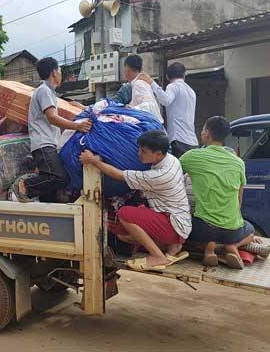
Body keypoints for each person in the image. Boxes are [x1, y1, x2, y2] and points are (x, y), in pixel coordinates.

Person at [80, 130, 191, 271]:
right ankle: (172, 246)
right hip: (179, 223)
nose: (139, 153)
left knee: (125, 214)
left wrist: (94, 161)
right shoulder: (171, 160)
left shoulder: (160, 176)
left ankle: (158, 256)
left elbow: (120, 175)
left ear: (158, 154)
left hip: (173, 224)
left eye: (144, 151)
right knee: (122, 233)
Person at [180, 116, 257, 269]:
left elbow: (172, 172)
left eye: (202, 130)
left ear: (207, 133)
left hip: (203, 229)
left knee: (188, 224)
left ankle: (209, 249)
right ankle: (232, 246)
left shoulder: (192, 156)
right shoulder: (238, 162)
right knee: (250, 231)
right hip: (232, 230)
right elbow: (239, 200)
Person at [13, 57, 92, 202]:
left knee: (53, 185)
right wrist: (77, 126)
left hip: (49, 143)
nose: (61, 73)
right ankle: (25, 186)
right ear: (54, 72)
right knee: (59, 177)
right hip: (43, 144)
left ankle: (46, 205)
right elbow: (52, 118)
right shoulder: (44, 91)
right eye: (60, 70)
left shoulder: (49, 92)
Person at [138, 62, 198, 157]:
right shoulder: (191, 91)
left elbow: (165, 100)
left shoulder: (173, 86)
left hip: (178, 139)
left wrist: (152, 83)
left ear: (167, 77)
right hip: (192, 141)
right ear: (184, 75)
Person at [123, 54, 164, 123]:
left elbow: (149, 105)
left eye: (125, 69)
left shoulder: (139, 83)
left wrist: (130, 110)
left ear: (128, 69)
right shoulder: (140, 82)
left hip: (152, 126)